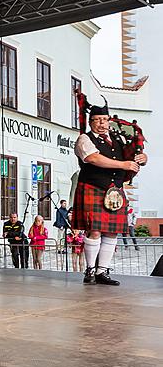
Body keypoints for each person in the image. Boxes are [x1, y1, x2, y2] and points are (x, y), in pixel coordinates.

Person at [73, 101, 147, 285]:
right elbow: (93, 158)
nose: (101, 123)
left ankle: (102, 271)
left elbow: (131, 156)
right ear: (91, 122)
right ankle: (89, 270)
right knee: (95, 231)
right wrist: (123, 165)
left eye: (104, 120)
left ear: (109, 121)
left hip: (115, 190)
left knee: (112, 232)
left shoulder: (119, 139)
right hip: (94, 187)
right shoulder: (85, 139)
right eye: (97, 120)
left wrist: (142, 158)